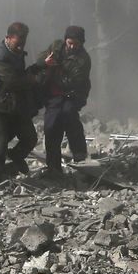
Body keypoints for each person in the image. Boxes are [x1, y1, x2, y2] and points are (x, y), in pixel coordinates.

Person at [0, 22, 39, 183]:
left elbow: (21, 76)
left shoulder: (16, 51)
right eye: (18, 44)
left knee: (30, 138)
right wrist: (34, 78)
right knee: (0, 144)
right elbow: (13, 81)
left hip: (15, 105)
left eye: (23, 44)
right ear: (8, 38)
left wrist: (40, 66)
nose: (21, 48)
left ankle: (15, 157)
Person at [35, 25, 91, 177]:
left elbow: (74, 82)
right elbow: (39, 59)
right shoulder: (56, 46)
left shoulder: (83, 59)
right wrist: (46, 62)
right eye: (70, 43)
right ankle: (53, 167)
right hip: (53, 96)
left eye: (76, 44)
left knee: (69, 115)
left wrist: (56, 69)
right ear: (65, 40)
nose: (72, 47)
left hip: (72, 95)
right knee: (51, 126)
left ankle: (79, 153)